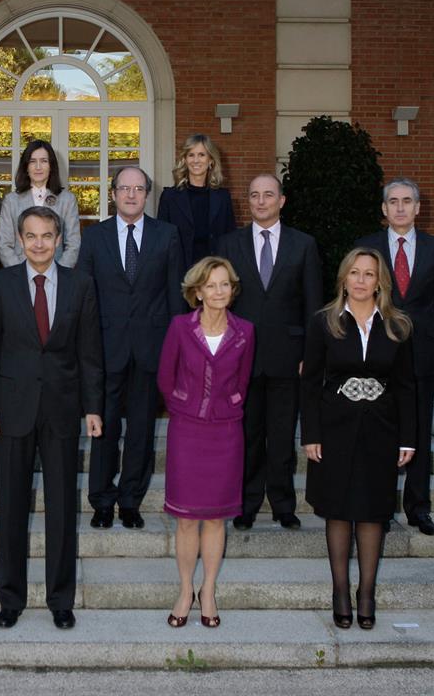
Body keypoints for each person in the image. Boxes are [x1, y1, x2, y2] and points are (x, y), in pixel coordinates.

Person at [0, 206, 104, 631]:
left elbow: (90, 354)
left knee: (62, 508)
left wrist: (93, 408)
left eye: (47, 235)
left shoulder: (80, 285)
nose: (39, 244)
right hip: (11, 410)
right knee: (11, 507)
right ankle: (10, 599)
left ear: (60, 238)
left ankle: (60, 600)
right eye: (31, 236)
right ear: (18, 238)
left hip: (63, 410)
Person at [301, 248, 415, 630]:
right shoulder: (325, 323)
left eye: (369, 274)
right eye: (355, 273)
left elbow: (406, 387)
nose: (362, 280)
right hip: (333, 430)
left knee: (372, 511)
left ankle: (366, 593)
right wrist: (311, 433)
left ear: (379, 280)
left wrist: (408, 439)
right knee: (338, 509)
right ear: (344, 278)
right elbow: (310, 383)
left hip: (381, 432)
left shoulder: (398, 325)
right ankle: (339, 591)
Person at [78, 166, 185, 530]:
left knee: (141, 428)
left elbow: (175, 295)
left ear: (146, 195)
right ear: (113, 194)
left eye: (138, 189)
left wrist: (176, 347)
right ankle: (102, 501)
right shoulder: (94, 237)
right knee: (103, 428)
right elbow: (85, 298)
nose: (131, 194)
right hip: (106, 348)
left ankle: (130, 500)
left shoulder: (167, 235)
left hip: (150, 348)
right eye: (124, 188)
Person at [216, 173, 321, 530]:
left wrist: (311, 352)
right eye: (254, 195)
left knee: (281, 435)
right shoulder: (229, 244)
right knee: (247, 434)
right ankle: (245, 504)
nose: (261, 201)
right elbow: (221, 303)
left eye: (268, 195)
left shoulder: (303, 245)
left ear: (281, 200)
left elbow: (313, 304)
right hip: (241, 358)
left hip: (288, 356)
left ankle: (282, 504)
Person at [157, 256, 254, 629]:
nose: (218, 291)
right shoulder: (180, 327)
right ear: (197, 292)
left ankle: (208, 591)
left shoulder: (246, 330)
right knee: (185, 519)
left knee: (215, 519)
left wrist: (228, 406)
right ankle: (185, 590)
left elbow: (243, 382)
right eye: (211, 285)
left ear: (232, 289)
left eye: (225, 284)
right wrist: (185, 404)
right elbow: (166, 376)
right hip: (187, 431)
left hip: (226, 432)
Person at [355, 178, 434, 535]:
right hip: (378, 352)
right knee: (378, 431)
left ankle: (418, 508)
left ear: (418, 208)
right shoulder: (367, 247)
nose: (399, 207)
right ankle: (379, 507)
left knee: (419, 432)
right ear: (383, 209)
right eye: (393, 201)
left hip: (421, 352)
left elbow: (433, 302)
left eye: (407, 201)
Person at [0, 140, 81, 268]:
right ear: (26, 167)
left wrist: (60, 274)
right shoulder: (11, 200)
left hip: (56, 273)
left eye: (44, 161)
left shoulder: (67, 200)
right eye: (32, 161)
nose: (38, 167)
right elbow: (4, 244)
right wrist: (20, 274)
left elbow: (73, 244)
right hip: (20, 275)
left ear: (51, 166)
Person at [157, 134, 237, 266]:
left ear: (210, 160)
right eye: (191, 155)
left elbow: (230, 239)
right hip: (180, 272)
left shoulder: (223, 198)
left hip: (213, 271)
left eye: (201, 155)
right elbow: (161, 241)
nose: (196, 160)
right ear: (185, 160)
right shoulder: (169, 197)